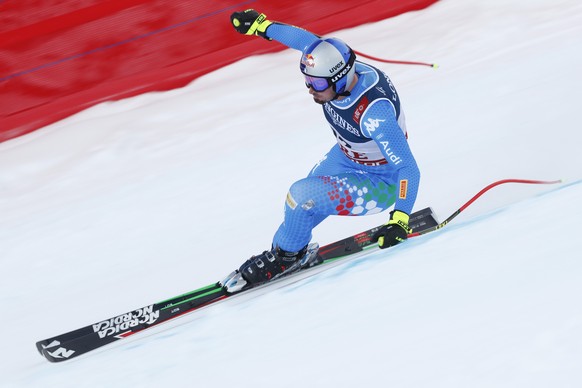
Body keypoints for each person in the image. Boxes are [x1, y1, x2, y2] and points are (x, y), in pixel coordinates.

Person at [223, 9, 421, 291]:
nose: (309, 89)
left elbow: (408, 168)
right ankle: (288, 251)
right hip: (347, 156)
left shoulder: (374, 113)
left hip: (381, 182)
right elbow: (306, 41)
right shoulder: (338, 67)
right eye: (306, 80)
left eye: (316, 84)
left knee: (301, 196)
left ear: (340, 79)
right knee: (301, 203)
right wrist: (261, 26)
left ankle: (285, 257)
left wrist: (400, 219)